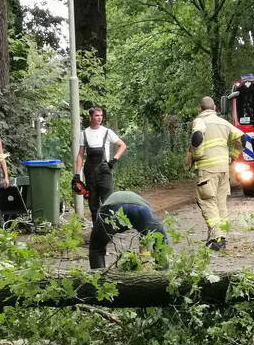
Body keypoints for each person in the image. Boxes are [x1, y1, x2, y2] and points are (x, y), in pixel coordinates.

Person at [185, 96, 243, 250]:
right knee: (220, 204)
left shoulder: (199, 121)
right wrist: (234, 155)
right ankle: (219, 237)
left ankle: (217, 239)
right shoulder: (223, 122)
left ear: (200, 108)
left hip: (207, 169)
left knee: (207, 202)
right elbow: (239, 138)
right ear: (215, 107)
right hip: (223, 169)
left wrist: (197, 155)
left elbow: (197, 138)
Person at [88, 190, 171, 270]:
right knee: (161, 242)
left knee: (96, 249)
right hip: (141, 209)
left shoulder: (107, 203)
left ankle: (99, 278)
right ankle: (162, 278)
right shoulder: (142, 201)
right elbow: (146, 239)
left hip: (112, 209)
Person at [73, 107, 127, 229]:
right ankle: (97, 232)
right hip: (90, 172)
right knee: (93, 204)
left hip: (104, 172)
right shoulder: (84, 133)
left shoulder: (107, 132)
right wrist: (77, 175)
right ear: (90, 117)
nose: (99, 118)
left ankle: (108, 230)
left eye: (101, 115)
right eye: (97, 115)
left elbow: (122, 145)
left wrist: (113, 161)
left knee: (108, 202)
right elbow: (81, 155)